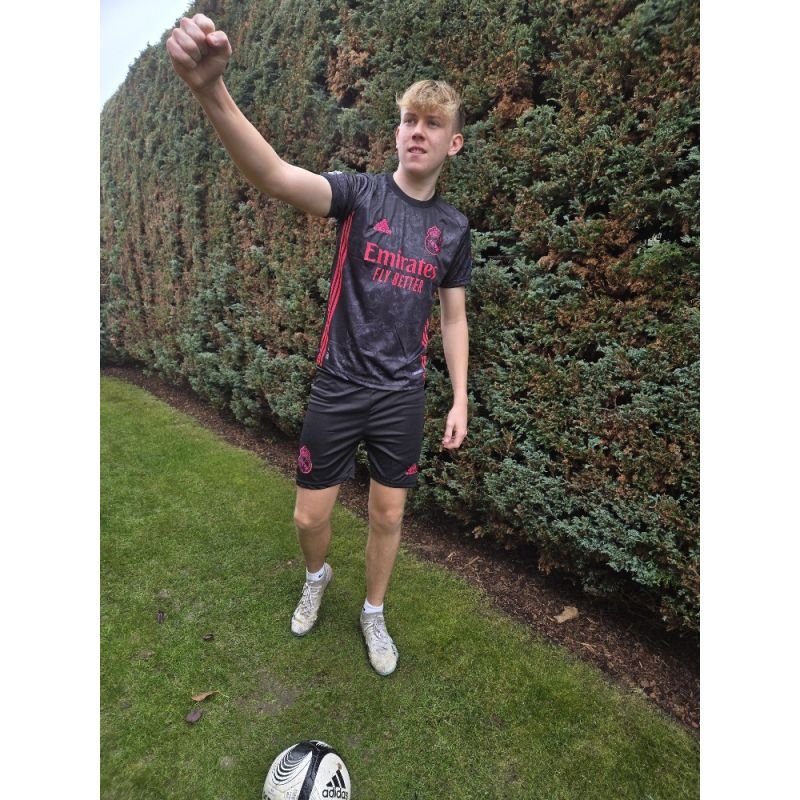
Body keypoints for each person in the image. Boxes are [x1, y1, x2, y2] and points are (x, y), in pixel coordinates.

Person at [167, 13, 471, 676]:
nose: (417, 131)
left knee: (388, 514)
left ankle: (373, 612)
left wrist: (459, 398)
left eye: (432, 124)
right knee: (309, 519)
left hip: (401, 395)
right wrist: (211, 92)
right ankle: (316, 577)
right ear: (397, 132)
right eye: (408, 120)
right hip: (339, 383)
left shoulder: (453, 229)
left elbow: (453, 318)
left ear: (453, 143)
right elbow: (276, 175)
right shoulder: (360, 195)